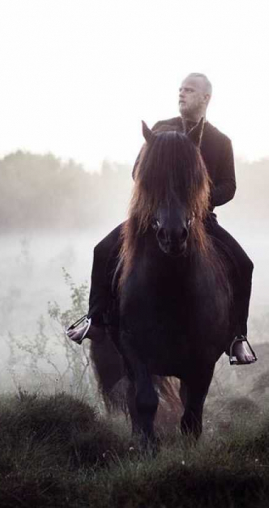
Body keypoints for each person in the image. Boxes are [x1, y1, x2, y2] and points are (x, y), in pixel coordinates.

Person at [66, 73, 256, 365]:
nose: (182, 94)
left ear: (206, 98)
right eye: (180, 90)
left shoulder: (220, 141)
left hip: (200, 220)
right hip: (152, 218)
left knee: (244, 264)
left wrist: (198, 201)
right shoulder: (159, 130)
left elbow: (229, 186)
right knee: (102, 250)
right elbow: (136, 171)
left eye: (189, 90)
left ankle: (236, 337)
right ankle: (96, 320)